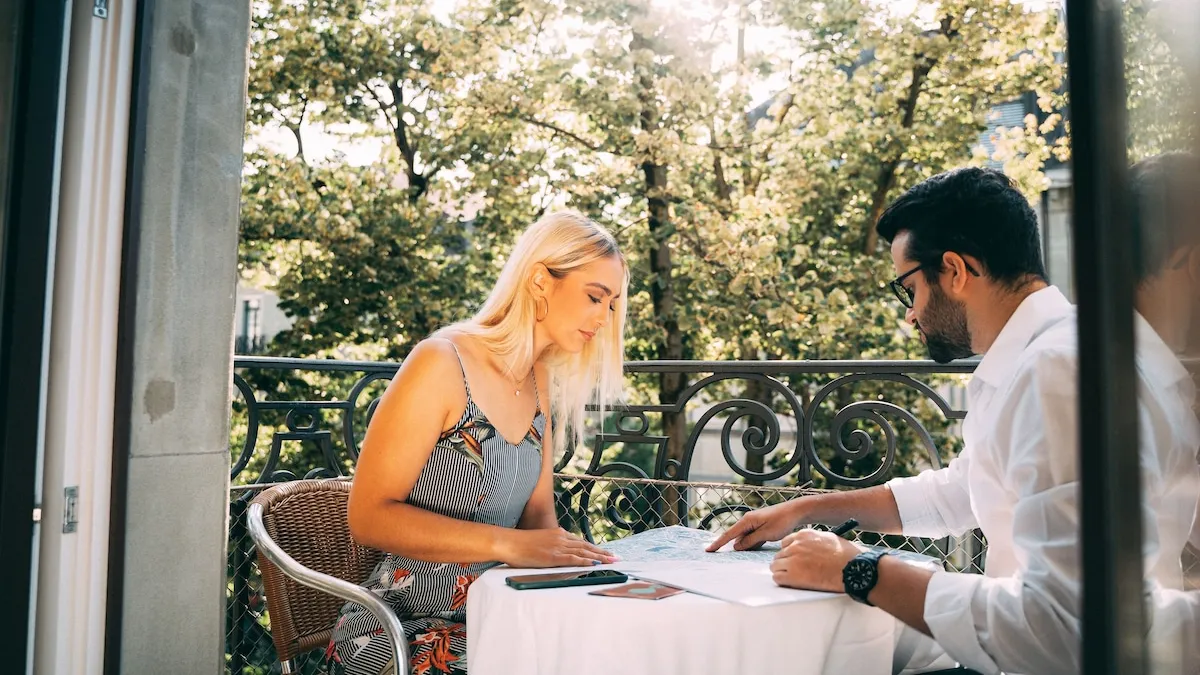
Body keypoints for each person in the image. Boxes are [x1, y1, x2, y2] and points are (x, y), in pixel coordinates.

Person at [707, 166, 1200, 674]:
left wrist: (860, 570)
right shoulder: (1053, 356)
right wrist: (807, 509)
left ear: (955, 271)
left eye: (909, 288)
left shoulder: (1060, 371)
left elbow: (1063, 625)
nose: (910, 314)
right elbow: (962, 491)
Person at [326, 211, 629, 675]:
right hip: (398, 629)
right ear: (539, 281)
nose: (604, 319)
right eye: (595, 297)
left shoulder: (539, 381)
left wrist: (582, 570)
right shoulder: (441, 361)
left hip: (495, 615)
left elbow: (538, 519)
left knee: (608, 647)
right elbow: (367, 518)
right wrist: (509, 546)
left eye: (611, 305)